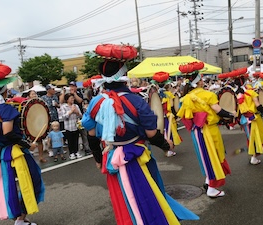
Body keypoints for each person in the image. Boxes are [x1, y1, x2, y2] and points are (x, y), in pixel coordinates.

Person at [82, 44, 199, 224]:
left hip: (111, 158)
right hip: (134, 158)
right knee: (144, 203)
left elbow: (91, 135)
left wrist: (98, 159)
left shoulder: (95, 102)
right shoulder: (136, 101)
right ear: (124, 75)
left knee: (123, 202)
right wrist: (167, 145)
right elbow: (151, 133)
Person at [0, 62, 44, 225]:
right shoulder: (4, 109)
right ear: (4, 89)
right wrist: (29, 145)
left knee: (9, 186)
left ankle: (20, 219)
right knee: (32, 181)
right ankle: (20, 219)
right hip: (15, 152)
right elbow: (8, 132)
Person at [177, 62, 235, 198]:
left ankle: (208, 180)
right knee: (214, 155)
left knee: (205, 156)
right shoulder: (207, 94)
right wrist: (231, 114)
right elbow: (217, 110)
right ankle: (212, 188)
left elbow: (184, 116)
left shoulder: (186, 98)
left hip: (197, 131)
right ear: (199, 81)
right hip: (209, 129)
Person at [60, 82, 92, 156]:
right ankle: (72, 152)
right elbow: (61, 101)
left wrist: (74, 94)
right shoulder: (65, 101)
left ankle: (86, 148)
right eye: (70, 86)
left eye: (73, 86)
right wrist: (63, 91)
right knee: (71, 138)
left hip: (78, 119)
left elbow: (80, 101)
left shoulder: (78, 93)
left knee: (82, 134)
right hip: (69, 123)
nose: (71, 88)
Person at [27, 90, 48, 163]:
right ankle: (29, 159)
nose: (34, 95)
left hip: (38, 123)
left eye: (35, 93)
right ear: (29, 96)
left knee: (40, 141)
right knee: (28, 142)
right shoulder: (27, 104)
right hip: (29, 124)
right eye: (32, 94)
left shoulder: (39, 102)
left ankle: (41, 157)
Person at [61, 93, 83, 160]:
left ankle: (76, 152)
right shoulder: (64, 106)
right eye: (71, 98)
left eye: (73, 98)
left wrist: (77, 112)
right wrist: (70, 111)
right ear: (67, 99)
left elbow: (80, 116)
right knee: (70, 141)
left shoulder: (76, 105)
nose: (72, 99)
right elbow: (64, 117)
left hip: (75, 125)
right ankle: (71, 153)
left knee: (76, 139)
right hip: (68, 127)